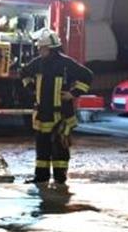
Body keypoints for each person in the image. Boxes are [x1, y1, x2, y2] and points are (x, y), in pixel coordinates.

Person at [19, 29, 93, 186]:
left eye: (42, 48)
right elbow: (23, 72)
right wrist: (31, 87)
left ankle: (60, 178)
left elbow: (87, 76)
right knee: (42, 147)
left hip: (61, 115)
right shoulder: (38, 63)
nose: (39, 50)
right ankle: (41, 177)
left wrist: (73, 93)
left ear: (50, 48)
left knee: (60, 147)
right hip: (42, 114)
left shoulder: (66, 64)